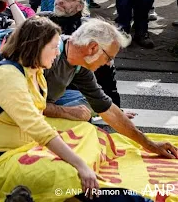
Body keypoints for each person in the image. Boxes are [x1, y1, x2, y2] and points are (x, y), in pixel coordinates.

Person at [0, 17, 100, 195]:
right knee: (69, 174)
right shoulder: (8, 76)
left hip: (21, 147)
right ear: (36, 46)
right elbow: (36, 126)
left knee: (85, 128)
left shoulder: (36, 72)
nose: (57, 53)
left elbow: (40, 118)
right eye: (53, 47)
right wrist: (80, 165)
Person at [44, 19, 178, 160]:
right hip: (26, 112)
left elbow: (106, 107)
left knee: (89, 107)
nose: (109, 63)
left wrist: (151, 145)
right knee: (80, 117)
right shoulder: (49, 55)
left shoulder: (79, 65)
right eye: (109, 58)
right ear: (93, 47)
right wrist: (66, 112)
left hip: (41, 102)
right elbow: (23, 105)